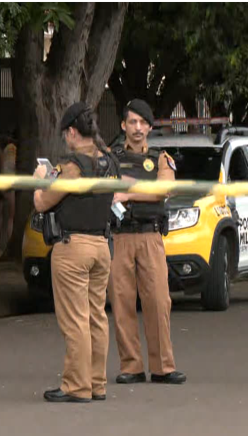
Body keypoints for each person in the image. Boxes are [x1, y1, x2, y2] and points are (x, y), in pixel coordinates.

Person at [34, 102, 118, 403]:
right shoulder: (109, 161)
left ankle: (76, 386)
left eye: (64, 134)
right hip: (101, 246)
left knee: (75, 319)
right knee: (97, 317)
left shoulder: (72, 166)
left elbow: (43, 202)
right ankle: (97, 383)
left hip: (73, 249)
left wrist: (40, 178)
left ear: (72, 131)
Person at [108, 99, 186, 385]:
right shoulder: (111, 156)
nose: (137, 128)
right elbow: (106, 186)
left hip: (151, 236)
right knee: (122, 301)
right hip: (120, 236)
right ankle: (131, 367)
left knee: (157, 301)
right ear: (123, 126)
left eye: (142, 122)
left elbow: (163, 189)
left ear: (150, 127)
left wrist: (127, 192)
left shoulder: (161, 157)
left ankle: (163, 367)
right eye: (132, 122)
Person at [2, 130, 17, 242]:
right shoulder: (12, 149)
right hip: (11, 184)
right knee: (11, 217)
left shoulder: (7, 149)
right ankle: (9, 240)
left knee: (8, 216)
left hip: (6, 183)